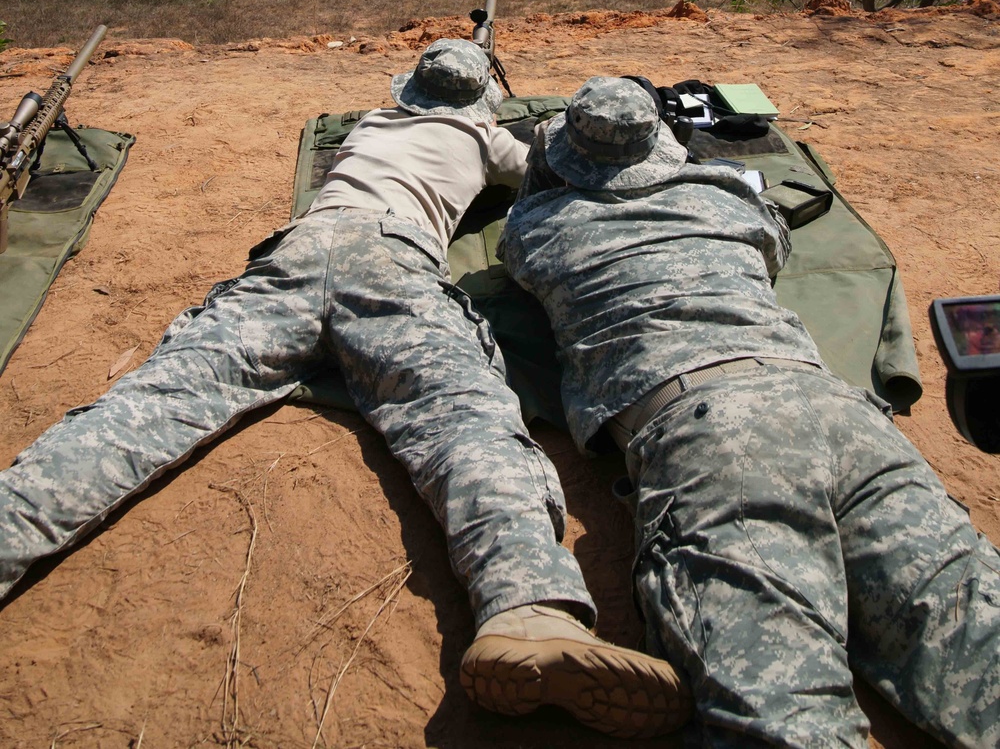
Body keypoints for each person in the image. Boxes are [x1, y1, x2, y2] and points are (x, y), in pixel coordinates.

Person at [0, 42, 689, 739]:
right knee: (463, 420)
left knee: (153, 405)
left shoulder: (372, 125)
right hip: (393, 262)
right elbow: (547, 171)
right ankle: (528, 608)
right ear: (482, 102)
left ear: (411, 92)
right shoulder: (485, 137)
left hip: (297, 252)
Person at [499, 75, 1000, 749]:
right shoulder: (724, 196)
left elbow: (518, 251)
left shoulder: (535, 227)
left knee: (778, 715)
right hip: (841, 413)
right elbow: (772, 248)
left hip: (713, 439)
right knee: (979, 640)